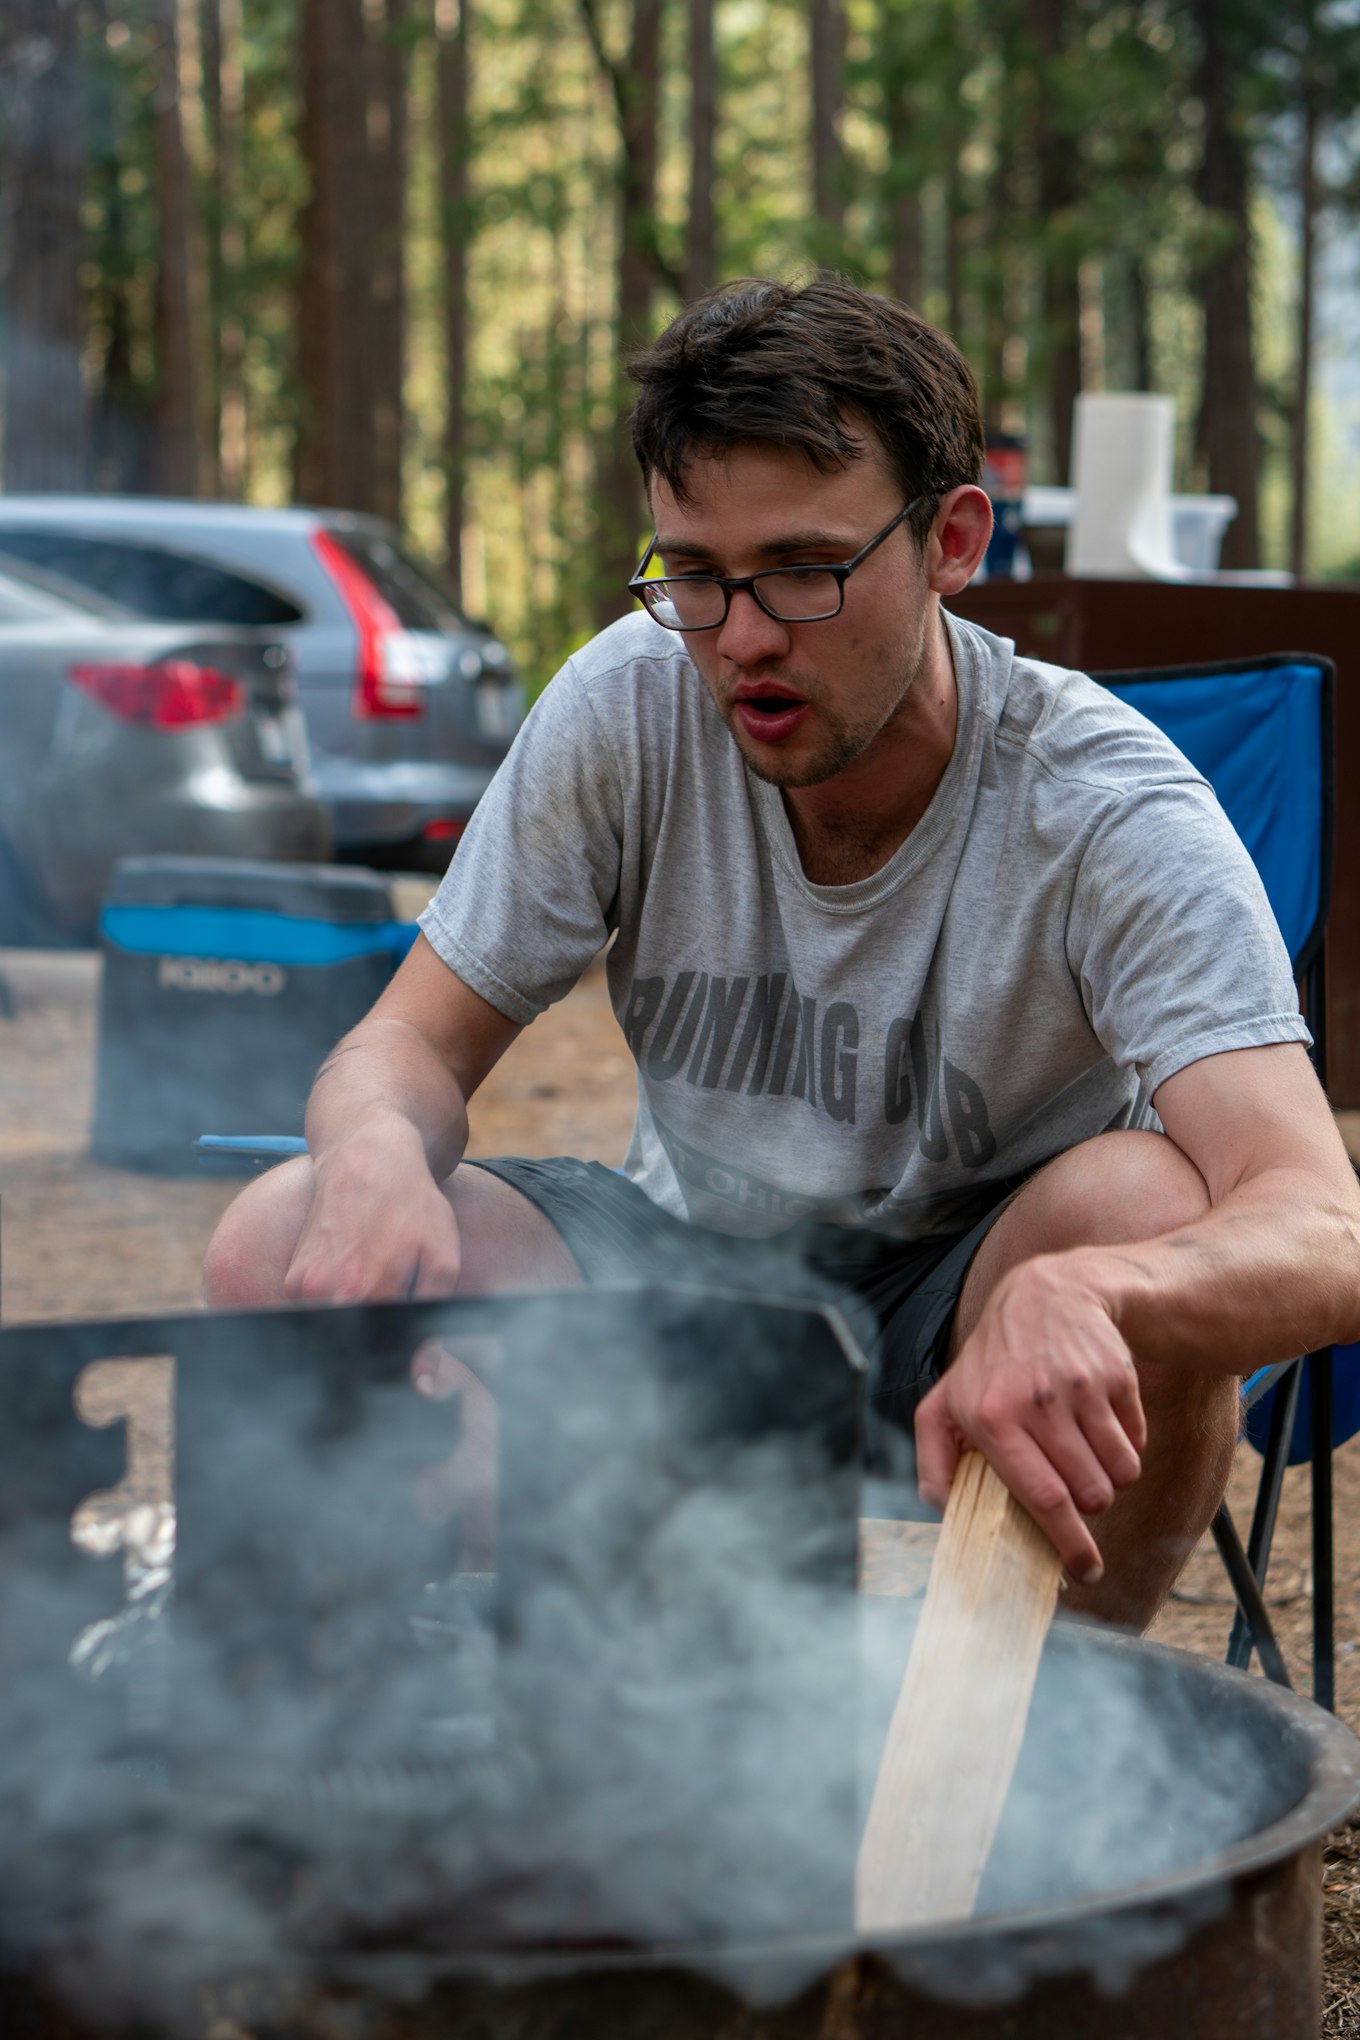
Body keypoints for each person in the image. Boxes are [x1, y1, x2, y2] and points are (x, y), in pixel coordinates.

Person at [204, 276, 1360, 1631]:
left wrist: (1101, 1286)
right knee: (278, 1238)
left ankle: (1044, 1769)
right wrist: (373, 1158)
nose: (742, 635)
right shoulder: (629, 703)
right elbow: (403, 1042)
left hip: (972, 1319)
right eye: (692, 574)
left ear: (952, 541)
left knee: (1145, 1215)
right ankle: (374, 1767)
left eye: (804, 570)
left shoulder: (1103, 808)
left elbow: (1323, 1223)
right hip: (677, 1292)